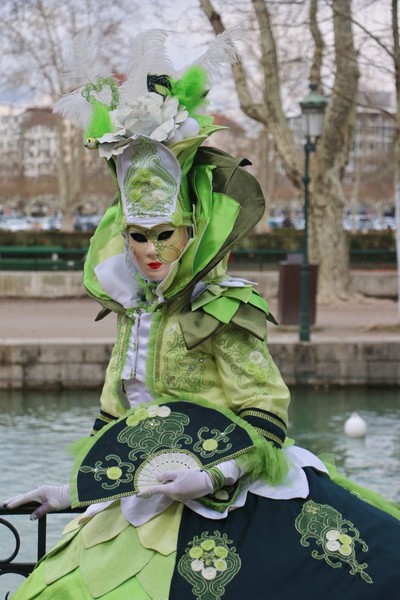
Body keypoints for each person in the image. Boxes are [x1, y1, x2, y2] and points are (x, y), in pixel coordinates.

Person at [4, 29, 400, 600]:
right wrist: (73, 490)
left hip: (226, 501)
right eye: (138, 236)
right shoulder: (131, 310)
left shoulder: (222, 306)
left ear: (191, 229)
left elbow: (266, 412)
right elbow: (119, 419)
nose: (151, 251)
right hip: (137, 507)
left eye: (165, 234)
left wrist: (211, 474)